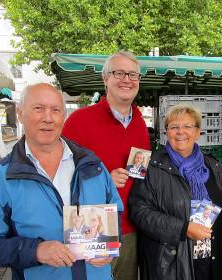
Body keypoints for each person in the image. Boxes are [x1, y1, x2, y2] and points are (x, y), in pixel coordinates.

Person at [0, 83, 123, 280]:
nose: (48, 118)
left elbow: (116, 213)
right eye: (38, 108)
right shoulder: (3, 177)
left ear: (63, 116)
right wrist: (36, 251)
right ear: (20, 113)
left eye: (56, 110)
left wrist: (109, 245)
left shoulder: (92, 165)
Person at [62, 50, 151, 280]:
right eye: (119, 73)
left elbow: (140, 171)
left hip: (129, 227)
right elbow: (59, 174)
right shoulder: (79, 121)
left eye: (133, 75)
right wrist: (101, 182)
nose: (127, 80)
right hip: (91, 227)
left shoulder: (140, 123)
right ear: (105, 79)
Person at [129, 104, 222, 280]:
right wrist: (183, 229)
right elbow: (139, 212)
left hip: (212, 259)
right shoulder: (150, 164)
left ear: (198, 132)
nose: (180, 132)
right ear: (166, 132)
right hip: (171, 263)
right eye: (174, 127)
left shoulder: (213, 165)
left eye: (187, 126)